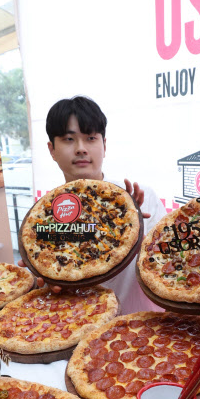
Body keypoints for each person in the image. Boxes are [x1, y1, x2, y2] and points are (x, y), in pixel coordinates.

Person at [40, 95, 166, 313]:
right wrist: (45, 281)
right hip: (79, 330)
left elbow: (170, 264)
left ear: (104, 145)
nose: (81, 148)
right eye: (69, 139)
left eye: (90, 138)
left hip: (144, 329)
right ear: (52, 149)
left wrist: (142, 237)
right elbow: (47, 285)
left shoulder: (144, 200)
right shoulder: (43, 217)